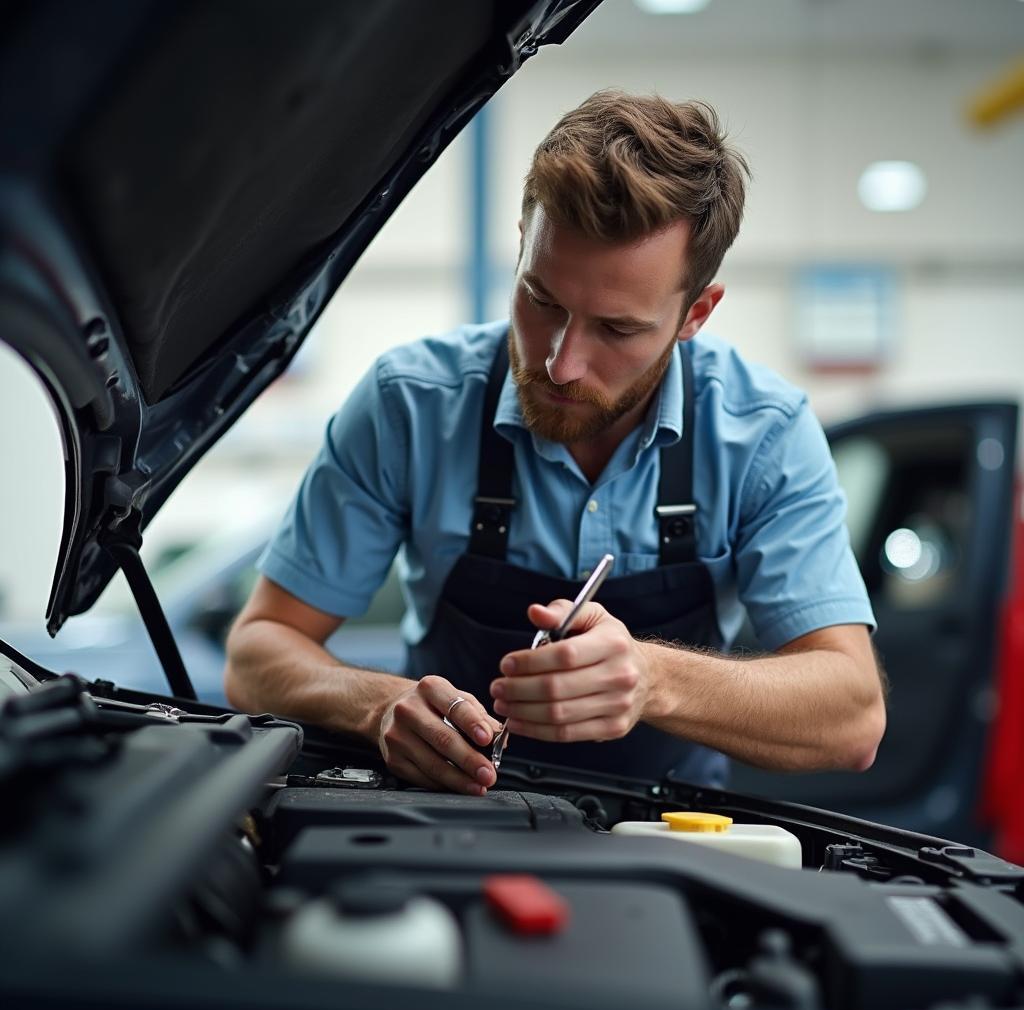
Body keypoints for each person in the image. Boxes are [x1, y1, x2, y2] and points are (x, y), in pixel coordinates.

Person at [225, 91, 885, 796]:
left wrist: (655, 679)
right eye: (541, 302)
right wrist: (376, 704)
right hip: (440, 822)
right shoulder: (409, 405)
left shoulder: (764, 435)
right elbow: (256, 654)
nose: (560, 364)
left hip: (668, 836)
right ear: (521, 244)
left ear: (695, 313)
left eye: (617, 329)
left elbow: (851, 717)